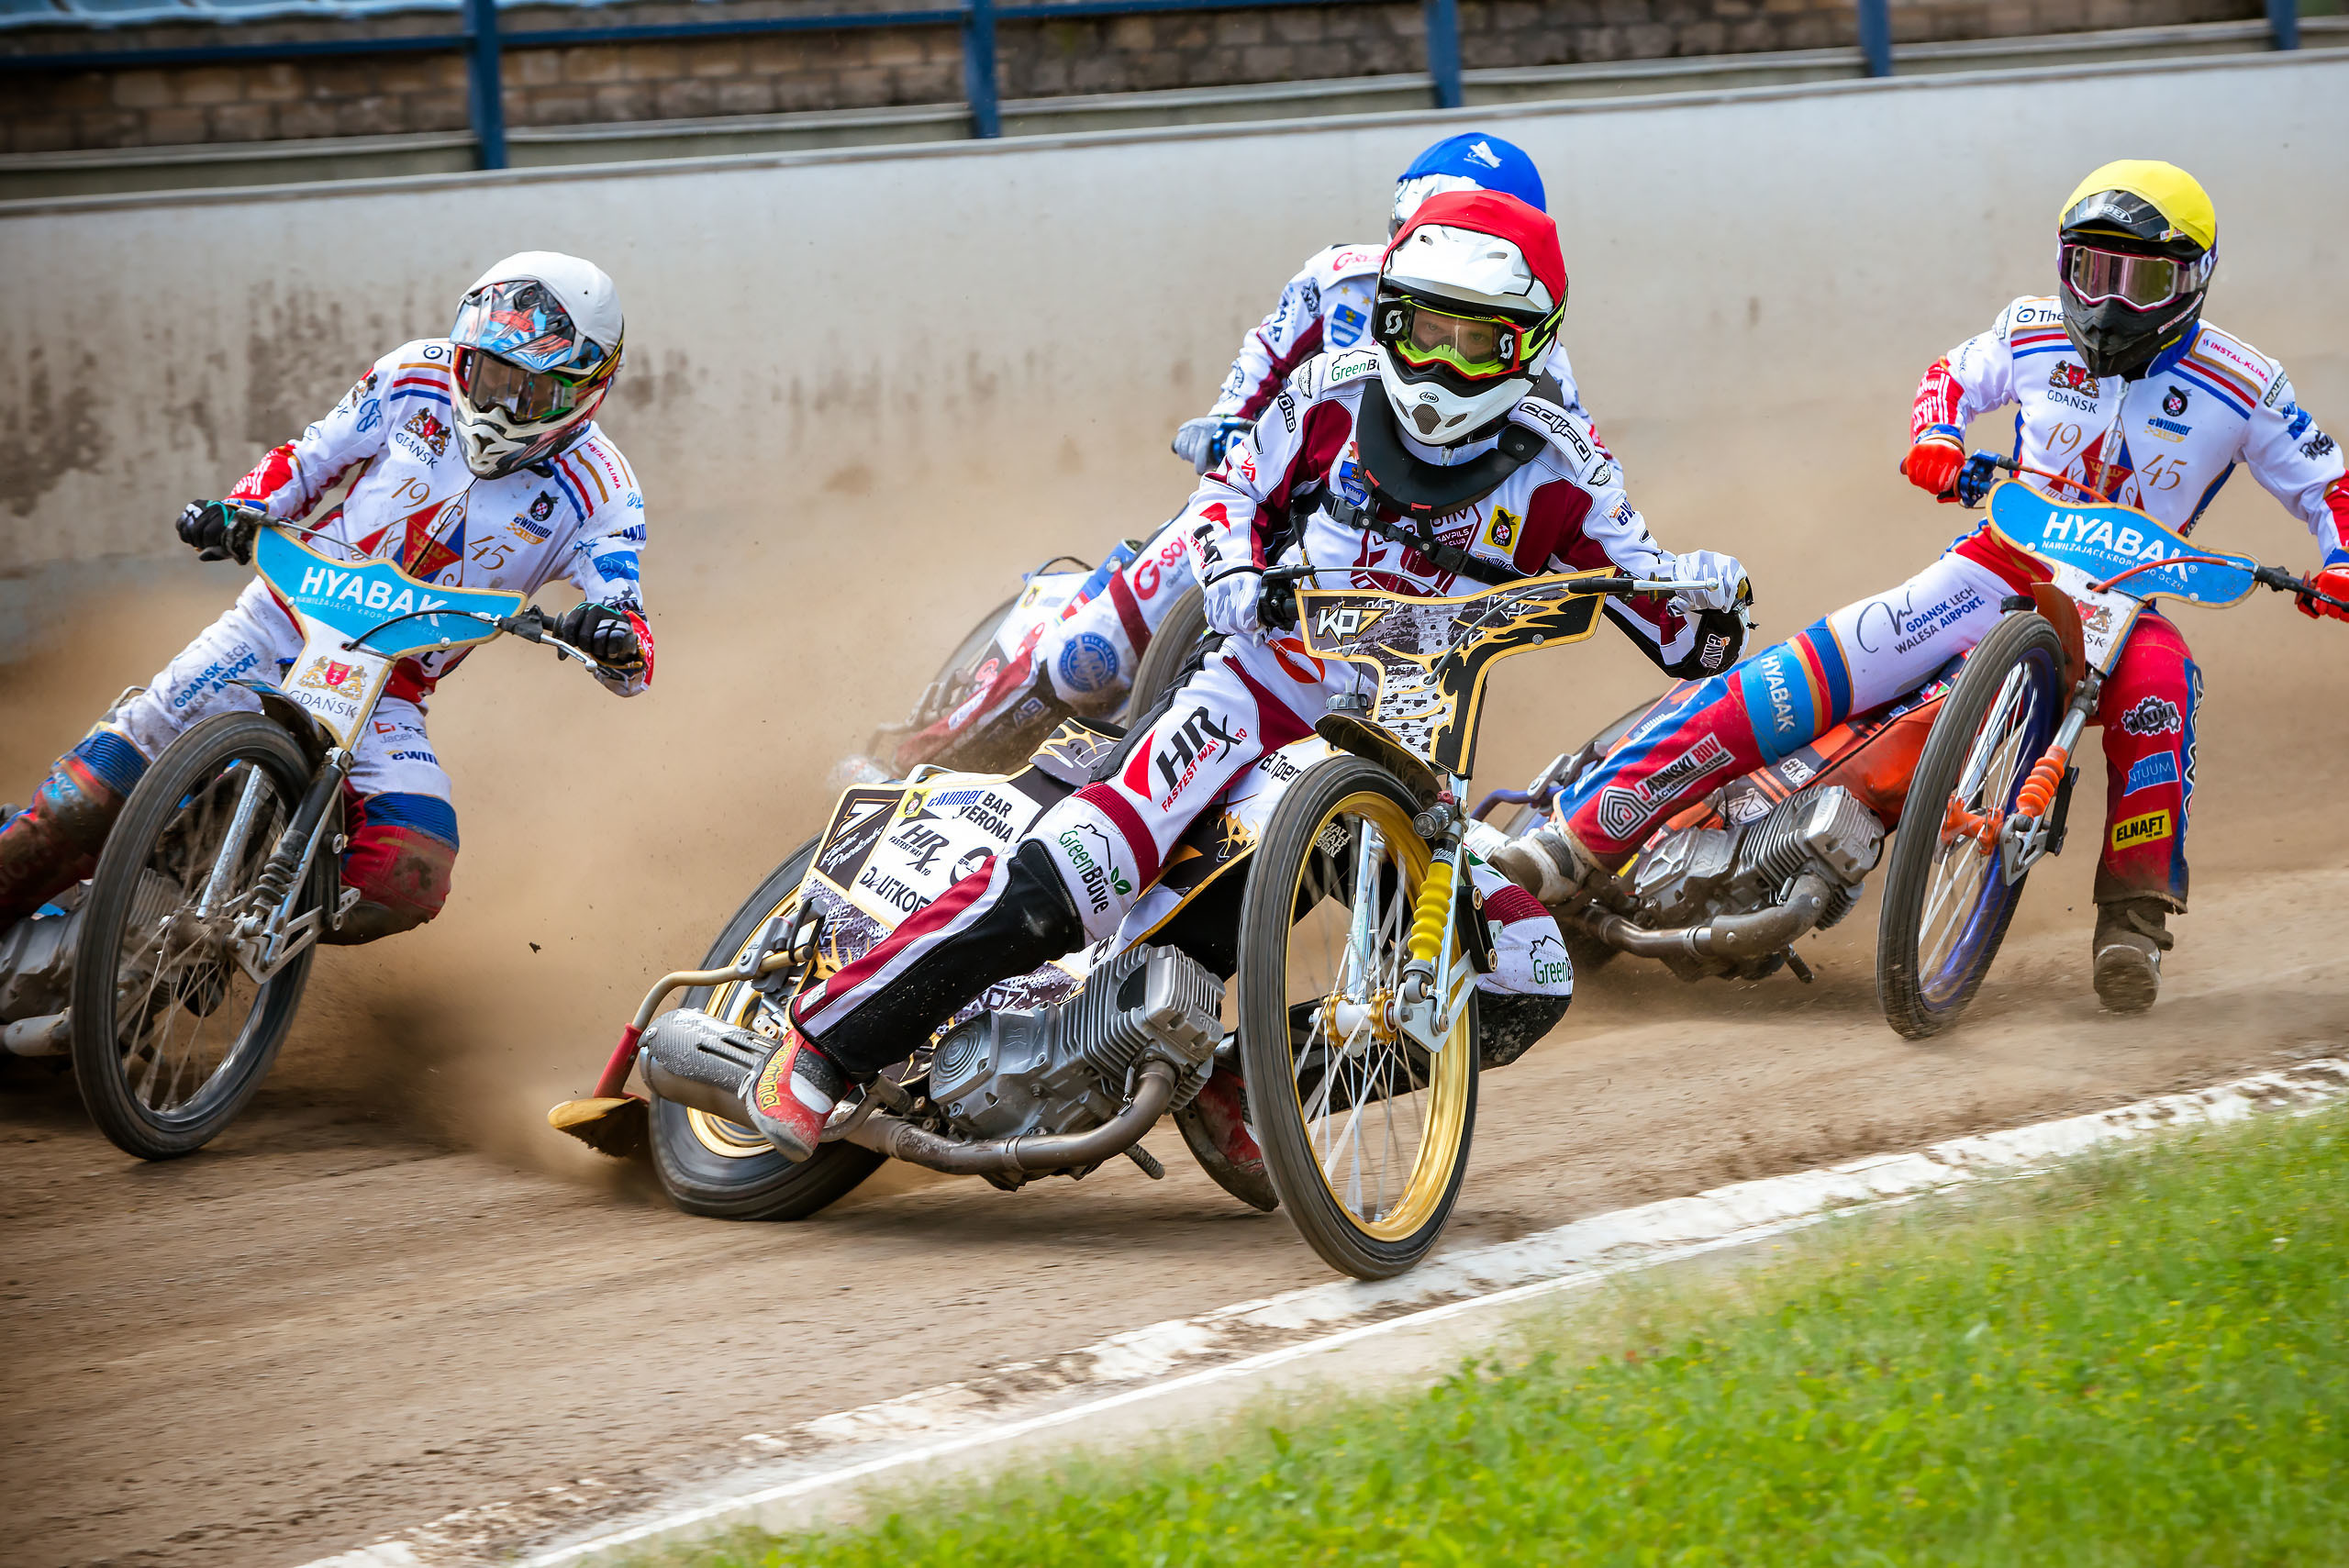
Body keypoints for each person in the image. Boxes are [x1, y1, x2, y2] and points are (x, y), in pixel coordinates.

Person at [743, 191, 1752, 1162]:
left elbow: (1676, 634)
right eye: (1420, 329)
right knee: (1085, 872)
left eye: (1474, 341)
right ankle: (827, 1043)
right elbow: (1225, 496)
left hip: (1409, 750)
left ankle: (1246, 1074)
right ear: (1388, 312)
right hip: (1251, 695)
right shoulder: (1328, 394)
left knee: (1522, 977)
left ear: (1529, 344)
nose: (1439, 366)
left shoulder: (1567, 463)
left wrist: (1711, 604)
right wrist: (1235, 575)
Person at [1496, 161, 2349, 1012]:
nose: (2111, 301)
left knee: (2164, 688)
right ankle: (1574, 839)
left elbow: (2329, 486)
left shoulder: (2247, 381)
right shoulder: (2030, 326)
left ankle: (2133, 920)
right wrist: (1936, 435)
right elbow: (1948, 378)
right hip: (1996, 565)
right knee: (1800, 672)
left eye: (2143, 279)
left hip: (2128, 604)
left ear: (2193, 279)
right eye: (2092, 270)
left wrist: (2338, 561)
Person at [888, 132, 1601, 773]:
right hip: (1266, 502)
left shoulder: (1549, 375)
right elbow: (1263, 357)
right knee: (1093, 653)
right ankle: (921, 754)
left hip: (1392, 581)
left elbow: (1575, 487)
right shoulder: (1338, 279)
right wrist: (1228, 419)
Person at [0, 251, 653, 945]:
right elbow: (310, 458)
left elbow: (632, 646)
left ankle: (249, 936)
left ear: (589, 388)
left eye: (531, 391)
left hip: (389, 687)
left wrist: (609, 634)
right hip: (275, 623)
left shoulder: (605, 490)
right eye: (489, 375)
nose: (498, 405)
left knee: (411, 869)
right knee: (82, 802)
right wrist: (239, 509)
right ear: (465, 354)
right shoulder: (412, 373)